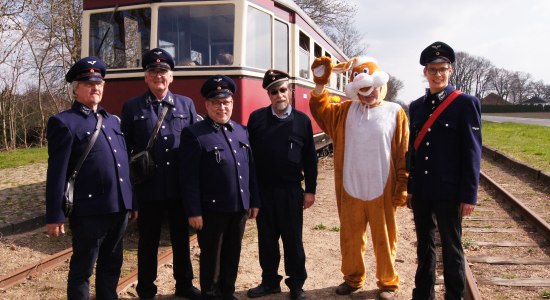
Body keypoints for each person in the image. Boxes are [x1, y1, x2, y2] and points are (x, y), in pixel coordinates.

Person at [309, 56, 409, 300]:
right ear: (355, 91)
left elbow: (403, 151)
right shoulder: (344, 111)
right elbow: (320, 110)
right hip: (350, 187)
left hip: (382, 188)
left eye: (371, 90)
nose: (368, 95)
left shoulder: (395, 112)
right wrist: (321, 84)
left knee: (385, 239)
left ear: (379, 85)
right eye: (362, 92)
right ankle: (353, 279)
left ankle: (387, 282)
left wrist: (403, 184)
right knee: (351, 239)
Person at [45, 56, 136, 299]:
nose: (96, 88)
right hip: (89, 210)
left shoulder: (112, 121)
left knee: (112, 263)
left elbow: (122, 165)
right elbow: (57, 172)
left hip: (118, 208)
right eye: (88, 84)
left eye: (99, 84)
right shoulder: (64, 122)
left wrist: (131, 201)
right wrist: (55, 214)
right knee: (83, 269)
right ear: (76, 90)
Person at [120, 48, 200, 299]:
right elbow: (125, 154)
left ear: (171, 76)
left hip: (178, 188)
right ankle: (146, 288)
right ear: (145, 77)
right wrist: (131, 196)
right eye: (153, 72)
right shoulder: (132, 107)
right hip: (148, 188)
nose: (158, 76)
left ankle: (184, 285)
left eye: (163, 71)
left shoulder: (186, 105)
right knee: (147, 243)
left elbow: (194, 148)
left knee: (181, 240)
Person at [407, 41, 482, 300]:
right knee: (424, 247)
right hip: (423, 191)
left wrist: (469, 194)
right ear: (425, 72)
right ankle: (423, 294)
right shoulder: (416, 107)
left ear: (450, 70)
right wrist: (411, 189)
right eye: (432, 69)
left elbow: (472, 152)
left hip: (450, 190)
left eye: (442, 68)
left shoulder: (465, 104)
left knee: (452, 247)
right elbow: (412, 152)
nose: (437, 74)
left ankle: (455, 295)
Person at [180, 75, 260, 300]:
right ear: (206, 105)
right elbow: (189, 178)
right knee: (212, 257)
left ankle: (228, 292)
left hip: (239, 207)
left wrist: (254, 201)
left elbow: (250, 169)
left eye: (226, 102)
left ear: (232, 104)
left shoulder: (241, 131)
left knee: (233, 254)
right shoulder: (195, 134)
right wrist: (193, 211)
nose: (221, 107)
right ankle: (210, 293)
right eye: (216, 103)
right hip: (211, 210)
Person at [246, 70, 318, 300]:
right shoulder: (256, 119)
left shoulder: (302, 121)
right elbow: (250, 159)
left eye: (283, 90)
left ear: (291, 91)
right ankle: (269, 282)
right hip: (265, 190)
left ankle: (296, 284)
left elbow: (310, 159)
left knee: (292, 240)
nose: (279, 95)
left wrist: (310, 191)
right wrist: (251, 193)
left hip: (290, 191)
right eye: (274, 91)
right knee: (266, 240)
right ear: (268, 94)